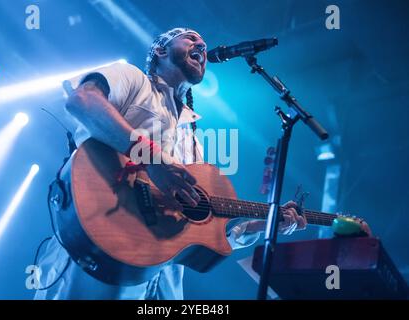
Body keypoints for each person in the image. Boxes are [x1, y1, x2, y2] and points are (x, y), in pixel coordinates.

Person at [34, 28, 307, 300]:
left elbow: (205, 230)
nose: (201, 43)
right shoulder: (133, 78)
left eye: (203, 41)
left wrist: (267, 223)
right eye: (191, 38)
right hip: (100, 254)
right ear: (161, 50)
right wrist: (151, 158)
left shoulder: (193, 140)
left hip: (162, 283)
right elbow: (83, 101)